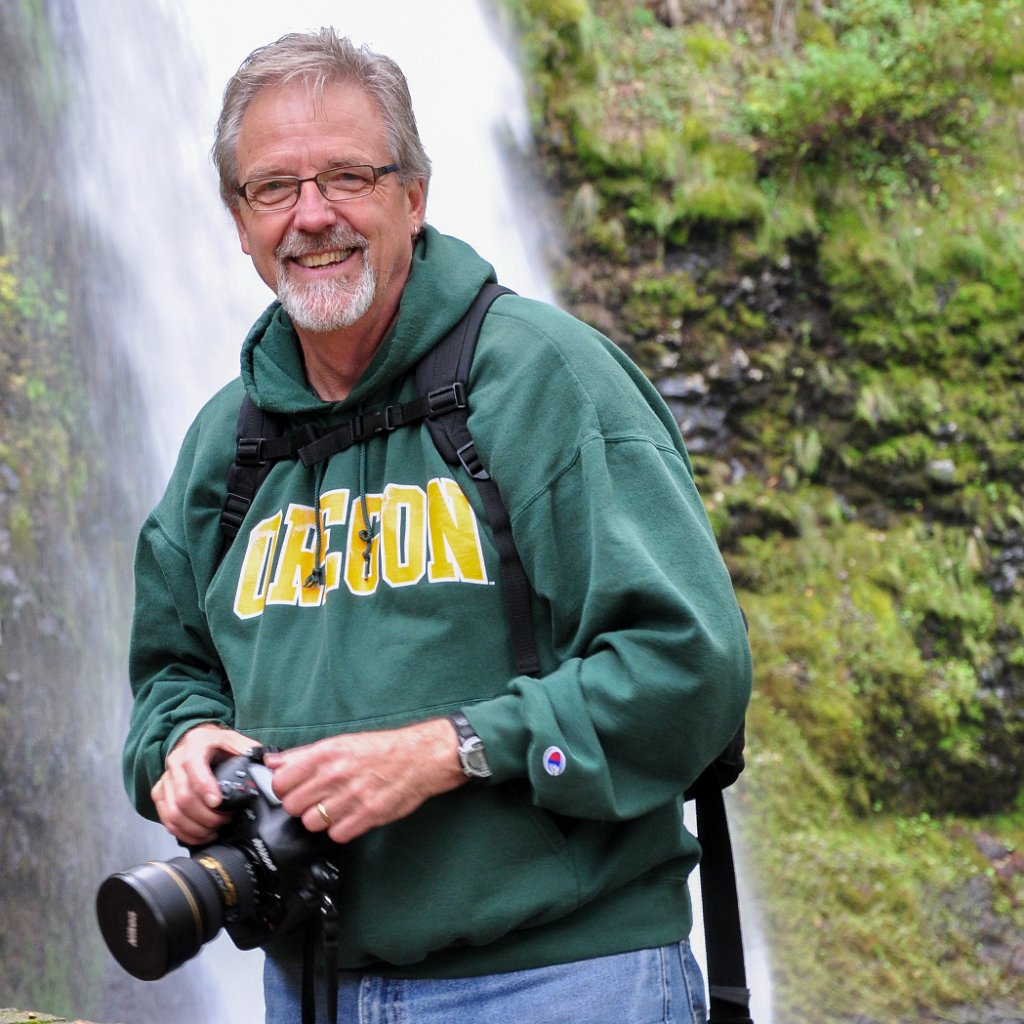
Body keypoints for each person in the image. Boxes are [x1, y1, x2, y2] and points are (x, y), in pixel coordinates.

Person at [123, 27, 752, 1024]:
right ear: (237, 222)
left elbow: (690, 671)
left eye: (347, 177)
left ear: (413, 197)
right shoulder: (223, 444)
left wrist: (452, 746)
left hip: (558, 982)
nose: (312, 215)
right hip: (310, 985)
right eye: (274, 188)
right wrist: (180, 749)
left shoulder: (542, 380)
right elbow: (167, 674)